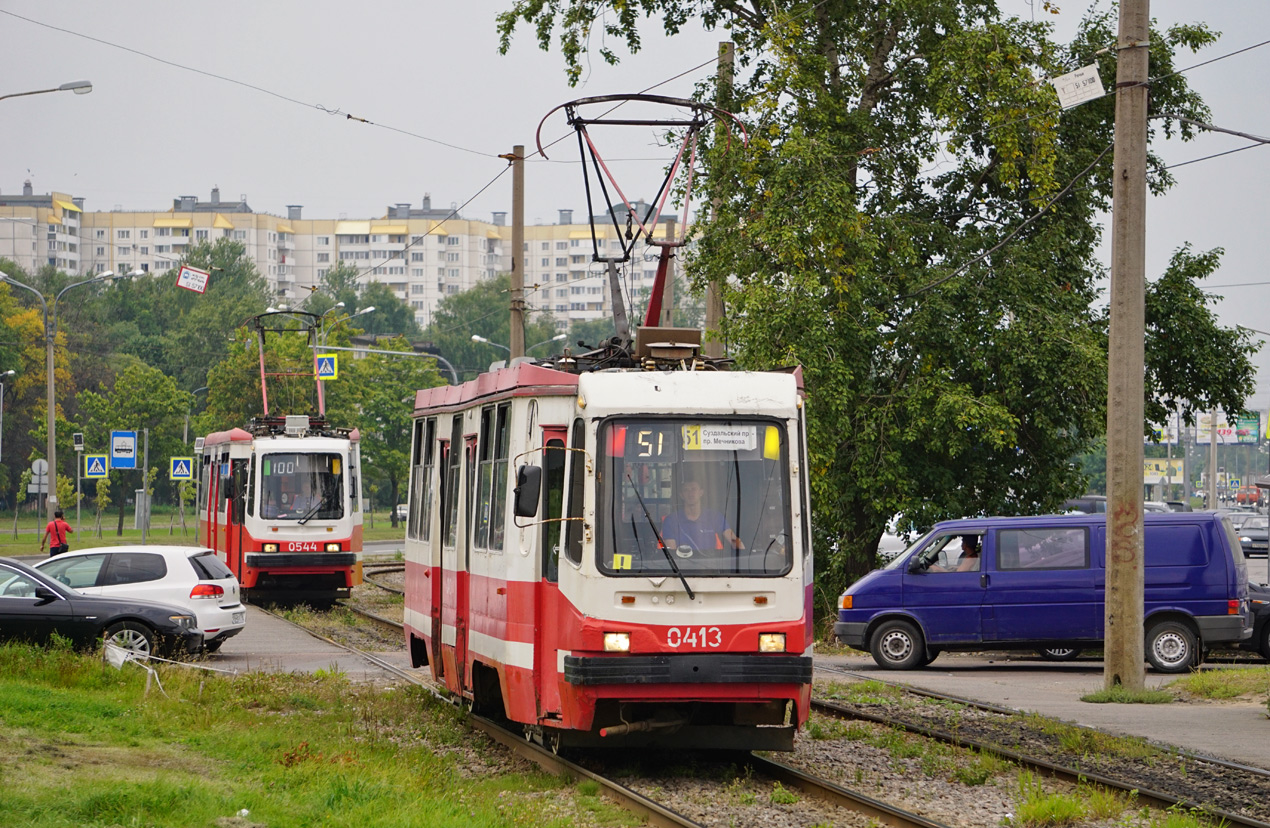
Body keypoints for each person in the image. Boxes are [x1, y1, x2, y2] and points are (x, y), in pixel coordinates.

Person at [660, 476, 744, 557]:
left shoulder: (714, 517)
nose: (690, 493)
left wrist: (743, 555)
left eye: (694, 489)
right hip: (682, 565)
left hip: (710, 565)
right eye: (686, 490)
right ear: (681, 495)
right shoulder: (671, 520)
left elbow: (733, 539)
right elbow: (672, 554)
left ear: (701, 492)